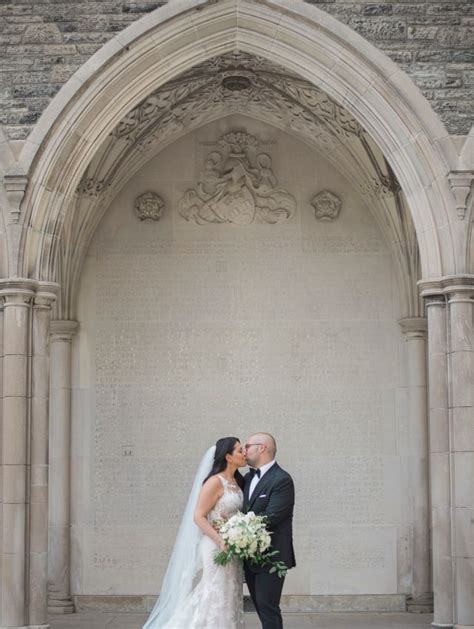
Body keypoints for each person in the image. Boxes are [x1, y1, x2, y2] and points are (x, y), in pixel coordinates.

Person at [143, 437, 247, 629]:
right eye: (240, 450)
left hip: (233, 546)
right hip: (216, 546)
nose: (245, 453)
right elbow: (198, 516)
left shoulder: (238, 481)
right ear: (228, 457)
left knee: (230, 593)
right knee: (215, 593)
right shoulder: (215, 482)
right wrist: (221, 541)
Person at [243, 433, 296, 629]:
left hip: (272, 556)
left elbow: (272, 516)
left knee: (268, 608)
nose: (244, 450)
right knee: (260, 607)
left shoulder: (282, 479)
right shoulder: (248, 477)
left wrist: (238, 527)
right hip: (250, 555)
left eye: (248, 445)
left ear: (262, 448)